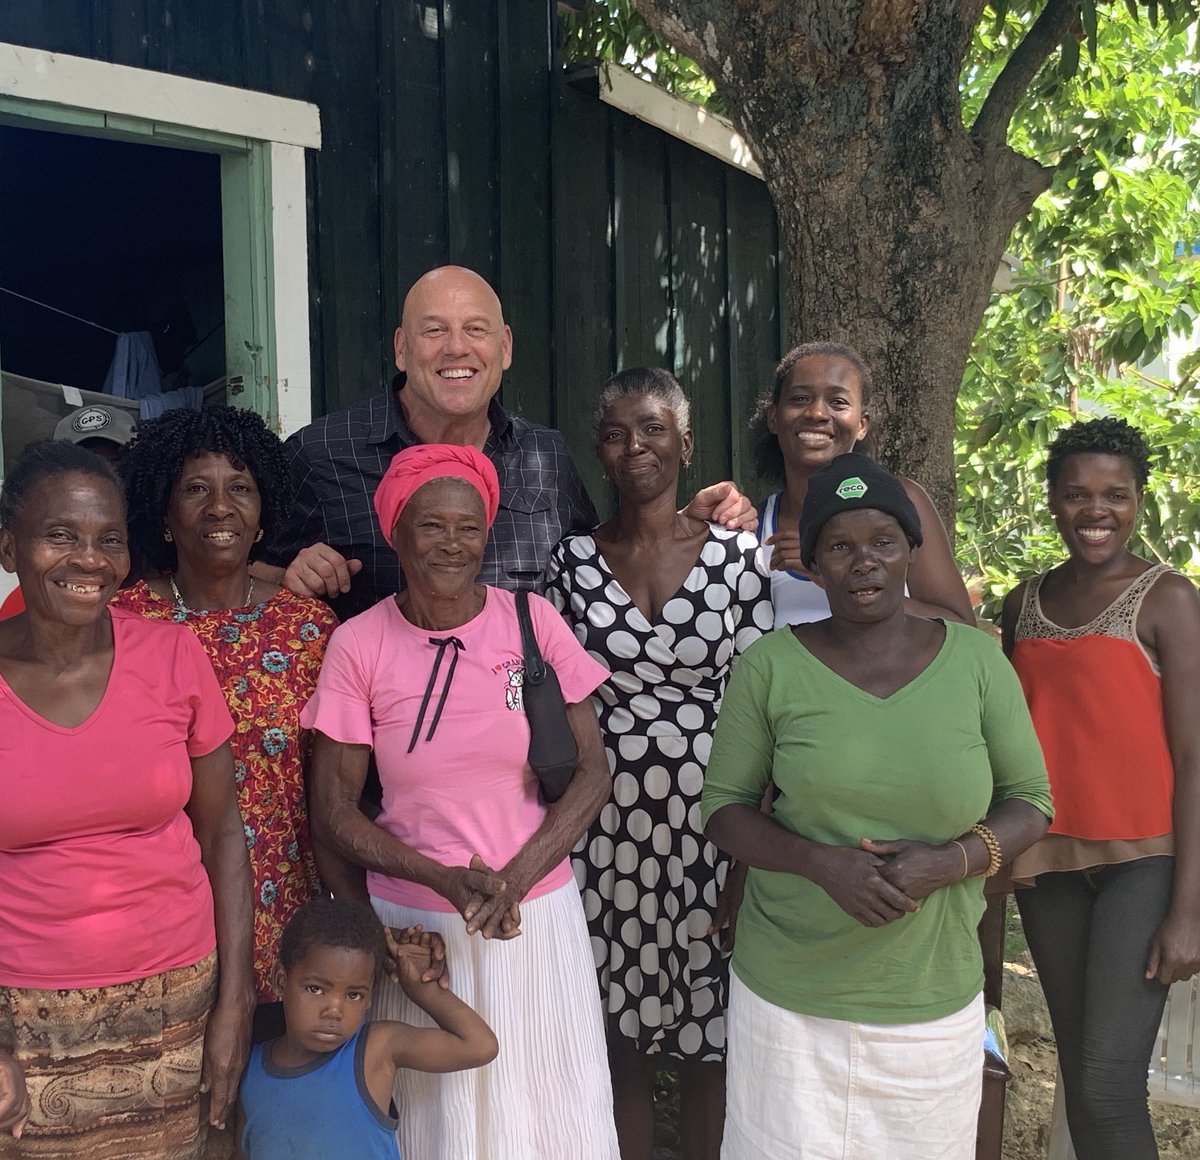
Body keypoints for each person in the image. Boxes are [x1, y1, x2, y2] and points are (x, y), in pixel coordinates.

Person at [701, 453, 1053, 1160]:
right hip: (790, 997)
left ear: (911, 554)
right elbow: (725, 809)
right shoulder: (770, 665)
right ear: (816, 566)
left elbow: (1031, 801)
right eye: (839, 546)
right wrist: (821, 864)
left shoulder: (977, 662)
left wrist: (951, 861)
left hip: (928, 995)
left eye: (883, 543)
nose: (863, 562)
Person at [303, 443, 620, 1159]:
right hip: (416, 932)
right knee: (432, 1118)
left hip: (532, 916)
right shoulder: (359, 645)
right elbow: (335, 810)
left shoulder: (531, 621)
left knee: (546, 1102)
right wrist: (443, 880)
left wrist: (516, 876)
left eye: (467, 527)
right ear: (396, 531)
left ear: (488, 533)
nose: (452, 544)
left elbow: (594, 770)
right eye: (431, 526)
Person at [544, 368, 774, 1160]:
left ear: (685, 442)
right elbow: (548, 694)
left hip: (717, 825)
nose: (634, 446)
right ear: (599, 454)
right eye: (614, 433)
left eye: (651, 429)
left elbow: (767, 712)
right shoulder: (570, 564)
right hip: (605, 832)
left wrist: (752, 859)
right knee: (622, 1043)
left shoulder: (742, 560)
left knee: (711, 1044)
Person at [0, 441, 254, 1158]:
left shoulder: (173, 657)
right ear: (8, 544)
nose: (89, 560)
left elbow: (224, 836)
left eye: (108, 539)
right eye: (61, 536)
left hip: (175, 1007)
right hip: (21, 1022)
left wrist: (235, 1001)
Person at [262, 265, 753, 618]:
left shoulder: (544, 454)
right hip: (383, 743)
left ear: (505, 347)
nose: (457, 348)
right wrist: (290, 579)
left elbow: (598, 562)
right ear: (401, 349)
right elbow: (241, 580)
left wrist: (684, 524)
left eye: (476, 329)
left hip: (525, 741)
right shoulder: (321, 452)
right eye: (434, 331)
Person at [1000, 418, 1200, 1160]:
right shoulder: (1021, 605)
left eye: (1115, 495)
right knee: (1082, 1084)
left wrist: (1190, 907)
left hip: (1145, 866)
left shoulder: (1169, 598)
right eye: (1078, 493)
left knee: (1110, 1084)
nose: (1097, 510)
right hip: (1047, 866)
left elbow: (1194, 752)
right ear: (1052, 500)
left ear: (1139, 502)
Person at [113, 405, 339, 1038]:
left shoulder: (307, 629)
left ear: (263, 512)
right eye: (195, 489)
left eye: (240, 488)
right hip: (162, 913)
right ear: (162, 515)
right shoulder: (122, 626)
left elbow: (331, 792)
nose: (220, 507)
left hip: (290, 921)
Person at [236, 897, 497, 1160]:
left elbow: (480, 1045)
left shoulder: (375, 1049)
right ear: (280, 981)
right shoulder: (251, 1070)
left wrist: (422, 989)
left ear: (371, 996)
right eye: (315, 989)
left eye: (353, 995)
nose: (334, 1010)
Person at [749, 341, 974, 627]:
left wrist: (833, 579)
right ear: (773, 417)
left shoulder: (905, 501)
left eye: (838, 402)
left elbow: (962, 628)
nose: (817, 413)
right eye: (800, 399)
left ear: (862, 424)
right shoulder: (754, 528)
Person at [0, 403, 137, 622]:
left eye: (115, 468)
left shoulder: (177, 575)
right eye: (60, 535)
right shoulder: (30, 597)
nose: (89, 561)